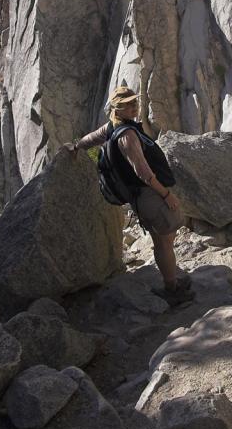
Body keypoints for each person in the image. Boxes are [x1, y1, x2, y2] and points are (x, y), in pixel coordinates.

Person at [62, 86, 194, 305]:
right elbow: (143, 172)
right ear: (117, 109)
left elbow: (93, 138)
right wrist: (166, 194)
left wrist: (77, 147)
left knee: (165, 239)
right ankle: (172, 289)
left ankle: (172, 280)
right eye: (128, 104)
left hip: (143, 195)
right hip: (149, 194)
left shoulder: (114, 126)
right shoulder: (127, 135)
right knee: (162, 242)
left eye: (134, 102)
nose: (134, 106)